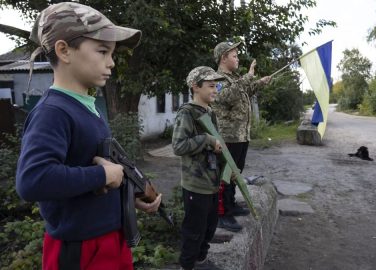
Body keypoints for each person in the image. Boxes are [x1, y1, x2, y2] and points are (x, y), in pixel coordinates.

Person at [15, 2, 161, 269]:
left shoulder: (84, 106)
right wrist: (104, 175)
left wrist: (129, 197)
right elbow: (32, 180)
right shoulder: (53, 112)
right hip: (81, 250)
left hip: (109, 240)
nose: (112, 62)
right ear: (64, 50)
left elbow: (85, 173)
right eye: (103, 51)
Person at [212, 41, 271, 232]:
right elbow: (226, 96)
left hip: (240, 134)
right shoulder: (217, 79)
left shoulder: (234, 79)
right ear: (223, 58)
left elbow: (243, 91)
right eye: (234, 55)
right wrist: (248, 77)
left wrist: (259, 83)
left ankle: (230, 204)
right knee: (225, 175)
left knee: (235, 173)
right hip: (228, 135)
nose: (237, 59)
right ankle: (222, 214)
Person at [172, 66, 225, 270]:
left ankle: (201, 260)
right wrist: (207, 139)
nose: (215, 90)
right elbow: (178, 146)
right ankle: (186, 266)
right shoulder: (187, 113)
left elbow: (217, 144)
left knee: (209, 228)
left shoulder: (209, 112)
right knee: (194, 231)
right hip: (196, 184)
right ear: (195, 87)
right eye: (211, 86)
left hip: (211, 182)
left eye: (216, 86)